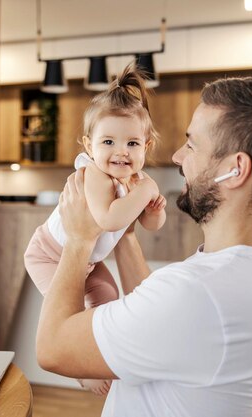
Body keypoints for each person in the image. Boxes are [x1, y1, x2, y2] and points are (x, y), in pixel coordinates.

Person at [35, 76, 252, 416]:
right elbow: (156, 316)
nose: (176, 156)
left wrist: (79, 240)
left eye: (191, 145)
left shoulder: (197, 293)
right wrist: (126, 235)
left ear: (235, 170)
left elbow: (53, 349)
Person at [24, 64, 167, 395]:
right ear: (89, 146)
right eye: (108, 141)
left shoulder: (136, 181)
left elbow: (147, 223)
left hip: (87, 257)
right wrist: (145, 193)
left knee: (108, 301)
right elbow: (110, 220)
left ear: (146, 147)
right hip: (47, 254)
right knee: (68, 316)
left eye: (132, 143)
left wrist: (154, 209)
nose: (121, 152)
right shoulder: (95, 176)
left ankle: (98, 360)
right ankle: (82, 372)